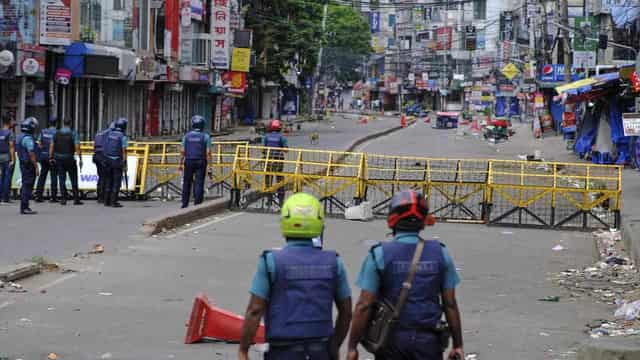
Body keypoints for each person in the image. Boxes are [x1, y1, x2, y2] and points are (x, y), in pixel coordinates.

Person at [347, 190, 464, 360]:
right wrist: (458, 345)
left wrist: (352, 347)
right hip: (429, 342)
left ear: (392, 219)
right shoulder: (440, 253)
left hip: (391, 342)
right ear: (423, 221)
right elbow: (450, 304)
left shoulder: (379, 254)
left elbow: (364, 305)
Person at [238, 193, 352, 360]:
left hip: (282, 351)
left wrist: (243, 350)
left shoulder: (271, 262)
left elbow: (255, 311)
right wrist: (334, 346)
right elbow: (346, 312)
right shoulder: (334, 262)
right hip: (320, 349)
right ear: (319, 223)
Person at [179, 115, 211, 208]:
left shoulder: (186, 136)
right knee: (199, 182)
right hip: (201, 161)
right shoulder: (206, 137)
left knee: (187, 182)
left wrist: (180, 164)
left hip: (188, 161)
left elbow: (182, 152)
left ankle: (184, 203)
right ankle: (197, 203)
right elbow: (208, 153)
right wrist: (210, 166)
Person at [50, 118, 83, 206]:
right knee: (73, 178)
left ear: (63, 123)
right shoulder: (73, 133)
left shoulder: (56, 133)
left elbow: (52, 146)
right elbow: (77, 147)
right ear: (70, 123)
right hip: (69, 158)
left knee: (61, 178)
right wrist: (80, 158)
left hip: (59, 158)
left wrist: (51, 157)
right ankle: (76, 199)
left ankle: (63, 199)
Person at [102, 117, 128, 208]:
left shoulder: (109, 134)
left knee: (108, 180)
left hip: (107, 160)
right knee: (116, 182)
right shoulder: (123, 137)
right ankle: (114, 202)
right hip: (117, 161)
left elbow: (104, 146)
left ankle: (106, 201)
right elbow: (124, 151)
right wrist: (125, 163)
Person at [16, 118, 40, 215]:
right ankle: (24, 207)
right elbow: (31, 153)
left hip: (23, 163)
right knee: (28, 185)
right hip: (28, 164)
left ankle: (25, 206)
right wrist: (36, 166)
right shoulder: (28, 139)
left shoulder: (20, 137)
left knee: (26, 184)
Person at [263, 119, 288, 207]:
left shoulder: (266, 136)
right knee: (280, 179)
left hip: (268, 160)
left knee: (268, 180)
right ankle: (281, 201)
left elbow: (263, 149)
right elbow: (286, 150)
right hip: (278, 160)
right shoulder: (282, 137)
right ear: (279, 128)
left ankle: (269, 200)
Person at [34, 116, 58, 203]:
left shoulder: (43, 131)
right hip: (52, 157)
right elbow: (54, 145)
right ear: (56, 123)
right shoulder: (57, 133)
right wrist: (51, 155)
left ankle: (38, 195)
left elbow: (39, 143)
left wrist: (43, 149)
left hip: (43, 156)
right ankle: (53, 197)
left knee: (42, 176)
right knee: (53, 176)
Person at [93, 121, 114, 203]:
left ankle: (99, 196)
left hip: (96, 156)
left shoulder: (99, 133)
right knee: (107, 177)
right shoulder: (110, 134)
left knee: (101, 176)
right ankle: (105, 196)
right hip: (104, 156)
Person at [0, 114, 16, 203]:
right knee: (7, 177)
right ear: (9, 122)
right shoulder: (10, 133)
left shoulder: (0, 132)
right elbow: (11, 147)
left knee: (1, 177)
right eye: (12, 121)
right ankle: (5, 197)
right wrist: (13, 160)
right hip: (7, 157)